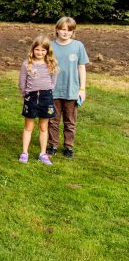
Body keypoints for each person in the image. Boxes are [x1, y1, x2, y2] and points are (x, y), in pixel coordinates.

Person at [48, 17, 88, 159]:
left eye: (69, 30)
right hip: (53, 90)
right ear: (57, 29)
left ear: (73, 32)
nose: (65, 32)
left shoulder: (78, 46)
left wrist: (82, 89)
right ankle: (52, 145)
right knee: (53, 120)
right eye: (63, 29)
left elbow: (81, 67)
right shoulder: (50, 46)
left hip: (71, 91)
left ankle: (68, 147)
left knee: (70, 121)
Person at [18, 36, 58, 165]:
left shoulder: (51, 64)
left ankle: (43, 153)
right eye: (37, 49)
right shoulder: (27, 64)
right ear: (33, 50)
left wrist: (47, 91)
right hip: (31, 98)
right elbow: (22, 82)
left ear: (47, 51)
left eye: (43, 50)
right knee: (28, 126)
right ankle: (24, 152)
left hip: (47, 98)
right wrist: (26, 94)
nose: (40, 53)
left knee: (43, 126)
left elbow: (53, 81)